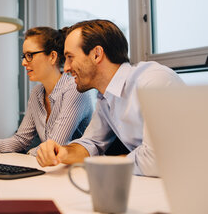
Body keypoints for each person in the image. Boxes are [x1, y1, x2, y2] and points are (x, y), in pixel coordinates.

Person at [36, 20, 185, 177]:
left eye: (70, 57)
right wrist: (63, 152)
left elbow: (157, 160)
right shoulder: (105, 97)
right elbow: (91, 143)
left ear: (97, 54)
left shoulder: (153, 81)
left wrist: (109, 162)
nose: (65, 67)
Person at [0, 27, 93, 156]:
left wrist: (29, 153)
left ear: (52, 56)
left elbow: (55, 145)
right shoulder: (37, 93)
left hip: (77, 173)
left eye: (30, 55)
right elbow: (21, 139)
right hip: (50, 169)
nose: (24, 62)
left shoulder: (74, 89)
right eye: (23, 56)